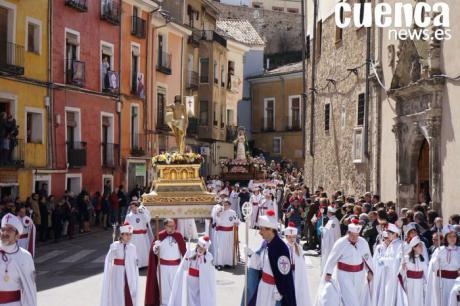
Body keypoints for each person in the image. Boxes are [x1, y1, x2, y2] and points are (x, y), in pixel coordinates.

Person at [245, 210, 296, 306]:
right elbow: (261, 264)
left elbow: (284, 274)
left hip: (273, 291)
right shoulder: (265, 243)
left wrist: (279, 289)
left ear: (270, 230)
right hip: (263, 287)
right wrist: (252, 254)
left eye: (262, 229)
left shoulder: (280, 248)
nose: (259, 232)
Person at [317, 218, 374, 306]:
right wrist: (328, 273)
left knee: (358, 297)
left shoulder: (363, 243)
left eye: (357, 235)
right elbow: (332, 259)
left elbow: (367, 258)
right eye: (353, 235)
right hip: (344, 276)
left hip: (360, 275)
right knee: (350, 299)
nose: (355, 238)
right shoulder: (340, 243)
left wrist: (370, 271)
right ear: (348, 232)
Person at [145, 219, 186, 306]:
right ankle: (165, 304)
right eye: (170, 226)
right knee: (164, 289)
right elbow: (154, 253)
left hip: (176, 267)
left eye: (174, 226)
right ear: (165, 226)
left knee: (176, 287)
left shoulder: (178, 235)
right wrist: (156, 247)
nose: (172, 228)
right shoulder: (160, 236)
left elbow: (184, 252)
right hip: (162, 267)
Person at [0, 213, 37, 305]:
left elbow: (29, 290)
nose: (5, 233)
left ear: (17, 236)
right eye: (3, 229)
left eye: (9, 230)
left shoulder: (24, 257)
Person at [168, 236, 216, 306]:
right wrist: (187, 259)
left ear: (205, 250)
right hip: (190, 282)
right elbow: (184, 267)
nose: (200, 250)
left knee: (199, 299)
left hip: (201, 283)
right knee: (190, 299)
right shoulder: (190, 253)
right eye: (199, 247)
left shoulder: (208, 258)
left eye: (203, 249)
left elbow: (209, 274)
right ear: (197, 246)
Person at [100, 221, 138, 306]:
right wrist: (112, 252)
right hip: (118, 272)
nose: (129, 237)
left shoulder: (133, 247)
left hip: (129, 273)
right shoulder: (115, 245)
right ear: (121, 235)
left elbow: (135, 263)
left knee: (129, 291)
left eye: (130, 234)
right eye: (126, 234)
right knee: (118, 291)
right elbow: (109, 260)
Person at [426, 227, 460, 306]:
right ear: (446, 238)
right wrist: (437, 260)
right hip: (441, 281)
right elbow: (433, 268)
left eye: (454, 236)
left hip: (455, 282)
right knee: (442, 301)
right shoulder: (439, 250)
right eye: (450, 236)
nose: (452, 238)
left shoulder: (459, 250)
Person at [376, 223, 407, 306]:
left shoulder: (400, 245)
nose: (388, 235)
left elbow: (395, 260)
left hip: (394, 275)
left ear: (395, 234)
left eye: (389, 233)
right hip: (388, 275)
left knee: (394, 297)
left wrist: (383, 260)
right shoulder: (392, 244)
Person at [283, 222, 312, 306]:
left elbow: (301, 263)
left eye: (293, 237)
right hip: (287, 273)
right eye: (289, 237)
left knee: (297, 291)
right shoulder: (283, 247)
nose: (292, 239)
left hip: (297, 274)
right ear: (286, 237)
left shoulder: (298, 248)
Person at [124, 198, 153, 268]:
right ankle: (136, 265)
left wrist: (144, 211)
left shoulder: (142, 214)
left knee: (143, 251)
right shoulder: (129, 216)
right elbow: (126, 226)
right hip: (134, 236)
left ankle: (144, 264)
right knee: (135, 251)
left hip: (143, 236)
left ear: (137, 207)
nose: (133, 209)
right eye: (132, 207)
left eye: (134, 207)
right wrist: (126, 237)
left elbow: (148, 220)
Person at [401, 236, 428, 305]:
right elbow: (401, 274)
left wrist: (426, 286)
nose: (421, 248)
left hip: (420, 285)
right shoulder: (406, 259)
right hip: (409, 285)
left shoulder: (422, 260)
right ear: (414, 248)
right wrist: (402, 268)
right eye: (419, 246)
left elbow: (426, 275)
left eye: (421, 246)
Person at [214, 199, 240, 270]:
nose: (225, 206)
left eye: (226, 205)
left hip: (230, 233)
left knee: (229, 247)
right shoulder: (220, 212)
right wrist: (218, 215)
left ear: (229, 205)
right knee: (221, 248)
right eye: (224, 205)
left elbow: (236, 220)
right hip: (221, 232)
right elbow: (217, 221)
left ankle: (229, 262)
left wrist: (236, 223)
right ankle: (220, 263)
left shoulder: (233, 212)